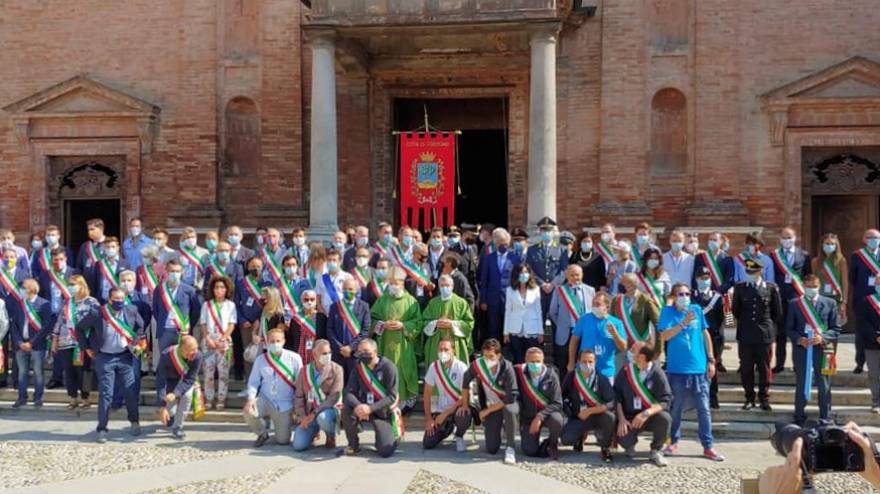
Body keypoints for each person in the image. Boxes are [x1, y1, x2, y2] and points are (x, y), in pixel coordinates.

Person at [659, 283, 724, 461]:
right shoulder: (667, 312)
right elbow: (664, 336)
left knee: (704, 409)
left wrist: (711, 359)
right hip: (677, 369)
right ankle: (673, 442)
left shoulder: (696, 309)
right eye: (681, 293)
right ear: (674, 295)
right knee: (676, 408)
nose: (685, 296)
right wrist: (682, 324)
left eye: (687, 293)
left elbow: (705, 334)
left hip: (699, 368)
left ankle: (708, 446)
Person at [76, 287, 146, 443]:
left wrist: (136, 341)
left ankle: (134, 422)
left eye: (122, 298)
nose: (119, 301)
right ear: (109, 299)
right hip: (105, 357)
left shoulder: (131, 310)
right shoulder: (97, 313)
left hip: (125, 357)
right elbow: (79, 328)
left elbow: (141, 327)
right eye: (116, 299)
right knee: (106, 393)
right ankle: (102, 428)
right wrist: (86, 347)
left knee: (130, 391)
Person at [785, 274, 840, 426]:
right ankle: (799, 416)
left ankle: (825, 416)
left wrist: (822, 337)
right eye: (808, 286)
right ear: (804, 287)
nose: (812, 289)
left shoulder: (830, 303)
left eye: (814, 286)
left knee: (824, 384)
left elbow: (835, 328)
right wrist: (798, 339)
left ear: (819, 286)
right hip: (802, 349)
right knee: (802, 382)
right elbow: (789, 328)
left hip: (823, 350)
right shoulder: (795, 304)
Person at [732, 258, 783, 411]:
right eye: (748, 272)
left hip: (764, 334)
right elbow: (735, 311)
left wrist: (766, 326)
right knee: (746, 368)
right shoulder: (740, 288)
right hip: (746, 334)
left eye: (752, 272)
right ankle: (749, 397)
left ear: (760, 272)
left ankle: (764, 397)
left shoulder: (771, 288)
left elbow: (777, 312)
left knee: (764, 368)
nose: (750, 274)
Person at [459, 338, 520, 465]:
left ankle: (510, 447)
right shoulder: (478, 364)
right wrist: (465, 405)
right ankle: (500, 430)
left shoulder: (507, 367)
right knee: (491, 449)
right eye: (485, 356)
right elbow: (465, 381)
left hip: (507, 404)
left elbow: (511, 396)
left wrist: (487, 411)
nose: (488, 360)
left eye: (491, 356)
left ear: (499, 355)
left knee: (509, 410)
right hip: (491, 405)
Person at [371, 267, 421, 412]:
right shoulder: (382, 300)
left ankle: (402, 404)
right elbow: (373, 318)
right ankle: (385, 403)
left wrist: (403, 325)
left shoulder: (411, 301)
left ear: (402, 284)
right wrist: (381, 324)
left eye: (396, 283)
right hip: (384, 343)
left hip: (403, 345)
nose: (393, 285)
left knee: (402, 370)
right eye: (391, 283)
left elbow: (418, 322)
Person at [342, 338, 402, 458]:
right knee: (347, 408)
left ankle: (389, 437)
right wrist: (359, 406)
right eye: (360, 352)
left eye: (366, 351)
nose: (362, 354)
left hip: (382, 412)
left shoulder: (388, 367)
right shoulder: (358, 368)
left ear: (374, 351)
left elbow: (392, 396)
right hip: (363, 408)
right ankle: (353, 444)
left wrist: (370, 408)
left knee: (385, 451)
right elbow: (348, 392)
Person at [614, 345, 673, 467]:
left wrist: (646, 413)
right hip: (629, 416)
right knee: (623, 437)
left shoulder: (657, 373)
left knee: (665, 419)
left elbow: (666, 400)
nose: (630, 352)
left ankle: (656, 450)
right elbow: (616, 396)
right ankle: (630, 445)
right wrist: (622, 419)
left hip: (650, 416)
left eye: (633, 351)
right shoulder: (626, 370)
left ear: (641, 357)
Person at [244, 327, 303, 446]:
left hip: (286, 403)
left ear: (284, 341)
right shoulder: (261, 359)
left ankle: (282, 428)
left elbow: (301, 384)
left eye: (278, 341)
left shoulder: (295, 358)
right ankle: (262, 433)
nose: (275, 344)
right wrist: (250, 400)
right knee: (249, 412)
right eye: (272, 341)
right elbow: (253, 382)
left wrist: (297, 407)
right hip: (266, 399)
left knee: (283, 441)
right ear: (267, 342)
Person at [51, 274, 98, 409]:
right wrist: (55, 339)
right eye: (69, 285)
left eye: (73, 284)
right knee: (69, 370)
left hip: (83, 343)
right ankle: (73, 397)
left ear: (81, 285)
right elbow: (60, 321)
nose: (70, 287)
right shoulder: (67, 302)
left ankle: (85, 397)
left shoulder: (92, 302)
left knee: (84, 371)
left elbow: (96, 321)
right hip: (66, 342)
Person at [561, 349, 616, 462]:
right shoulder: (571, 377)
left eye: (590, 361)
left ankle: (605, 447)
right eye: (584, 361)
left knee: (610, 417)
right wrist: (570, 413)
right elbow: (562, 396)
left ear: (595, 362)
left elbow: (611, 402)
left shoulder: (601, 379)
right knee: (566, 440)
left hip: (597, 416)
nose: (587, 364)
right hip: (578, 416)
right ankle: (579, 437)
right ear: (578, 362)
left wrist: (591, 411)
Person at [770, 227, 812, 374]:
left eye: (789, 237)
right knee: (780, 333)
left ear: (795, 238)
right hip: (780, 299)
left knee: (798, 333)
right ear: (780, 239)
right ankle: (780, 363)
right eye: (784, 237)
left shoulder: (804, 255)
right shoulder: (774, 255)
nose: (787, 240)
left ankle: (797, 364)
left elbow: (808, 276)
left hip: (797, 299)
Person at [37, 247, 79, 389]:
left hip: (70, 315)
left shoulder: (74, 273)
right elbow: (42, 295)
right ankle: (56, 377)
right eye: (55, 260)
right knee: (54, 348)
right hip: (52, 316)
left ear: (66, 259)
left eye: (61, 259)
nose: (58, 262)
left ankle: (72, 378)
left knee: (70, 347)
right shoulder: (46, 275)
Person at [292, 339, 344, 451]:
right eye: (324, 353)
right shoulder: (304, 371)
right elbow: (298, 397)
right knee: (298, 446)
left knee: (323, 418)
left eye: (329, 352)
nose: (328, 355)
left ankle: (330, 435)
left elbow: (333, 398)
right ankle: (314, 432)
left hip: (327, 411)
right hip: (309, 414)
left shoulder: (337, 369)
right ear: (315, 354)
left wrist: (315, 413)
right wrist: (302, 418)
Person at [9, 278, 54, 407]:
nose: (21, 290)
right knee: (22, 373)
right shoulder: (18, 304)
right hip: (21, 345)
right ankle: (21, 397)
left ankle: (38, 397)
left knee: (38, 372)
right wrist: (18, 342)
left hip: (37, 345)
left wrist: (31, 343)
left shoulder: (44, 304)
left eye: (23, 287)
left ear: (32, 289)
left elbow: (46, 327)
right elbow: (14, 325)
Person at [422, 337, 469, 451]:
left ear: (453, 351)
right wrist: (429, 419)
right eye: (440, 349)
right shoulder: (434, 367)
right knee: (428, 443)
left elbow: (466, 396)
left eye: (446, 349)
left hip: (457, 408)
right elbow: (427, 393)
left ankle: (459, 436)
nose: (443, 352)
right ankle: (447, 430)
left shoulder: (461, 367)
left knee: (464, 415)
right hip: (440, 410)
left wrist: (446, 413)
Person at [516, 347, 563, 459]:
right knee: (530, 451)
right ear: (526, 361)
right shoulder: (519, 373)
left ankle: (552, 443)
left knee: (557, 420)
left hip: (547, 414)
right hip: (528, 417)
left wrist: (539, 417)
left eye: (538, 361)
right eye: (532, 362)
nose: (535, 364)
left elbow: (557, 403)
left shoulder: (551, 375)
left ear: (543, 361)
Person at [547, 264, 594, 375]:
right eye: (571, 275)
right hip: (565, 333)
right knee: (563, 363)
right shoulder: (559, 291)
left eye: (577, 275)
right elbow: (553, 312)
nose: (575, 277)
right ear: (567, 276)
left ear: (582, 275)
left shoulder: (590, 290)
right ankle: (563, 390)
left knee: (583, 363)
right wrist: (562, 324)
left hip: (584, 333)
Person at [567, 292, 627, 379]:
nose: (594, 307)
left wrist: (615, 333)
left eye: (598, 304)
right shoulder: (584, 319)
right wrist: (571, 361)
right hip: (585, 370)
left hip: (606, 371)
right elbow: (574, 341)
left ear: (607, 306)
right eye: (593, 304)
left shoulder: (616, 323)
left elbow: (623, 347)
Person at [199, 276, 237, 410]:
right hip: (209, 341)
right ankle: (209, 398)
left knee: (223, 372)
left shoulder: (230, 305)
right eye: (216, 287)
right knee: (208, 373)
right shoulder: (206, 305)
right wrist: (208, 339)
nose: (219, 290)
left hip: (224, 342)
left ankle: (221, 398)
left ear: (227, 289)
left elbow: (232, 324)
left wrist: (223, 338)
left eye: (222, 287)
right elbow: (203, 324)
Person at [478, 228, 521, 345]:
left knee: (509, 327)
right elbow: (484, 281)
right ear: (495, 243)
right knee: (493, 327)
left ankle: (508, 352)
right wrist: (483, 300)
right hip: (492, 300)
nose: (503, 246)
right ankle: (494, 351)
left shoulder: (515, 258)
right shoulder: (488, 258)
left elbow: (517, 280)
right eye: (501, 243)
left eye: (506, 243)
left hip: (510, 299)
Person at [155, 335, 202, 439]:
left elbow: (190, 379)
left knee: (187, 396)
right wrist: (162, 406)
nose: (194, 353)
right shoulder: (166, 356)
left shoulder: (198, 356)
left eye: (195, 349)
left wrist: (175, 393)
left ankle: (178, 427)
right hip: (170, 382)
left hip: (185, 382)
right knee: (170, 411)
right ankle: (170, 415)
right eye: (190, 350)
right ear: (181, 349)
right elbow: (160, 380)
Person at [421, 274, 474, 364]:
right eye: (442, 286)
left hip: (455, 342)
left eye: (447, 285)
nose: (444, 288)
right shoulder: (433, 303)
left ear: (452, 287)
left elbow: (469, 324)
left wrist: (453, 324)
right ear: (439, 287)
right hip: (436, 343)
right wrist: (435, 323)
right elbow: (423, 322)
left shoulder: (461, 303)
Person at [693, 267, 726, 408]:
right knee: (697, 367)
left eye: (706, 278)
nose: (704, 280)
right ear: (696, 279)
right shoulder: (691, 296)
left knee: (712, 368)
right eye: (701, 278)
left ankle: (713, 397)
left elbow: (723, 318)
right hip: (695, 337)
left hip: (713, 337)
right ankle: (697, 397)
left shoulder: (717, 297)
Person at [611, 273, 660, 365]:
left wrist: (657, 350)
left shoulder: (645, 300)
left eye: (623, 282)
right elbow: (611, 323)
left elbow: (658, 324)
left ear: (632, 285)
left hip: (641, 349)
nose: (619, 284)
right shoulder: (616, 300)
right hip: (621, 349)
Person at [234, 256, 271, 378]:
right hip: (246, 325)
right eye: (253, 266)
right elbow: (236, 304)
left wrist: (260, 321)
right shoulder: (241, 283)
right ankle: (249, 382)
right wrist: (242, 320)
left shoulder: (267, 283)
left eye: (258, 266)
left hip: (263, 324)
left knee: (262, 352)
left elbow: (270, 304)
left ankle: (262, 381)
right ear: (248, 267)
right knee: (248, 353)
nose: (256, 269)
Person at [326, 280, 370, 381]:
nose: (347, 291)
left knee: (355, 383)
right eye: (345, 289)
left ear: (356, 290)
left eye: (350, 289)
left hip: (355, 354)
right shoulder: (335, 307)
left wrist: (351, 347)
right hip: (338, 354)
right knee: (337, 384)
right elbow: (329, 330)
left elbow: (365, 331)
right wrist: (340, 348)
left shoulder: (364, 306)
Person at [526, 216, 568, 321]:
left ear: (554, 232)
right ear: (540, 232)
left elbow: (564, 270)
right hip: (538, 290)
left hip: (556, 290)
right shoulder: (532, 250)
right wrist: (542, 284)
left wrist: (553, 284)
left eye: (549, 230)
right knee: (537, 320)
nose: (546, 233)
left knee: (556, 320)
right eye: (544, 230)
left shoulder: (561, 250)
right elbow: (529, 269)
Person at [153, 259, 200, 351]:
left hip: (183, 331)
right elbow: (155, 310)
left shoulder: (189, 290)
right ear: (166, 271)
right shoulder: (159, 289)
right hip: (165, 331)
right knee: (165, 358)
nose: (175, 274)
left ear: (182, 272)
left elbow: (196, 311)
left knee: (182, 360)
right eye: (172, 271)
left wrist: (188, 325)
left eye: (177, 271)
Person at [851, 228, 880, 374]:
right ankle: (860, 363)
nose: (873, 240)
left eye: (875, 237)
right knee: (861, 332)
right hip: (863, 300)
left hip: (879, 299)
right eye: (869, 237)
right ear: (864, 239)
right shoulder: (857, 256)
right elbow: (852, 278)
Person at [503, 264, 544, 364]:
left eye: (526, 272)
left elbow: (539, 311)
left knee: (531, 359)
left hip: (532, 329)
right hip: (515, 329)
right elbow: (508, 310)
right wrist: (506, 332)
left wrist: (540, 331)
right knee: (518, 360)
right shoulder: (510, 290)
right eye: (521, 272)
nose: (524, 275)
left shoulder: (535, 289)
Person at [811, 233, 848, 326]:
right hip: (821, 297)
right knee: (821, 325)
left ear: (836, 246)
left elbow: (844, 282)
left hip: (836, 297)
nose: (829, 246)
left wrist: (844, 302)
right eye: (827, 243)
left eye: (832, 244)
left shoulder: (841, 261)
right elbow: (813, 281)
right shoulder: (815, 261)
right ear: (822, 245)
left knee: (834, 327)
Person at [289, 289, 325, 364]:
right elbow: (291, 338)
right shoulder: (296, 318)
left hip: (316, 354)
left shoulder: (322, 317)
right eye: (306, 300)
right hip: (299, 354)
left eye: (312, 299)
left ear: (316, 301)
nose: (309, 302)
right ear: (302, 301)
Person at [88, 236, 125, 304]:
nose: (110, 249)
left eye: (113, 247)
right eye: (108, 247)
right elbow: (94, 283)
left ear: (118, 248)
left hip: (117, 301)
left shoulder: (125, 264)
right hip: (102, 300)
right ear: (104, 248)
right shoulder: (99, 264)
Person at [316, 249, 353, 314]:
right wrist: (322, 311)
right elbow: (318, 298)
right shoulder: (321, 278)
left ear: (340, 262)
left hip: (342, 313)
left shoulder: (347, 277)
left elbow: (351, 296)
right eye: (329, 260)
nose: (331, 262)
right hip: (325, 313)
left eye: (334, 260)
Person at [863, 276, 880, 413]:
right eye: (878, 282)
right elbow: (864, 323)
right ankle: (876, 402)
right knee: (874, 374)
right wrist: (876, 336)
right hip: (872, 344)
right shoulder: (867, 301)